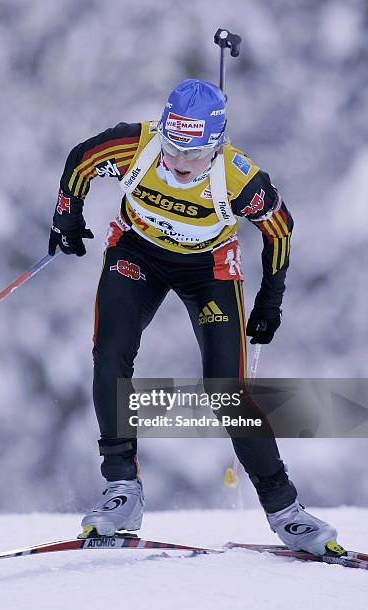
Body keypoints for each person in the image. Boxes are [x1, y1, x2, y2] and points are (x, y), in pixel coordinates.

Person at [48, 79, 340, 555]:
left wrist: (271, 300)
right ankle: (123, 492)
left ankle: (286, 511)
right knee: (111, 355)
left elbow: (280, 232)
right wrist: (67, 216)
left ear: (218, 144)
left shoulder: (241, 178)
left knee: (227, 391)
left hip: (209, 271)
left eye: (195, 153)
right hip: (137, 256)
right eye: (173, 147)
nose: (181, 164)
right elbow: (81, 160)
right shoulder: (134, 145)